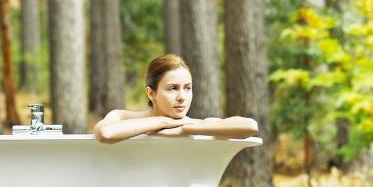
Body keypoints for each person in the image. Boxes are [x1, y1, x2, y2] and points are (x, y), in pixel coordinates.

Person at [92, 53, 259, 144]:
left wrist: (186, 130)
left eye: (187, 88)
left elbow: (250, 126)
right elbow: (105, 133)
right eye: (173, 88)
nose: (182, 97)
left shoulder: (190, 124)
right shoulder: (121, 117)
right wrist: (164, 122)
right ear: (151, 93)